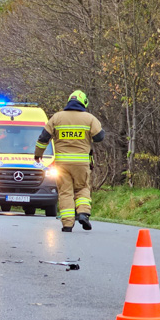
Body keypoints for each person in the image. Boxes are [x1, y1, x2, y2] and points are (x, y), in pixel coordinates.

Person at [34, 90, 104, 232]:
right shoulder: (89, 118)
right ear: (84, 102)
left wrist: (38, 154)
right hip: (81, 164)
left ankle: (67, 224)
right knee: (82, 188)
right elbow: (99, 137)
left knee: (65, 192)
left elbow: (43, 138)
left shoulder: (57, 117)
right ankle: (83, 213)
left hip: (62, 164)